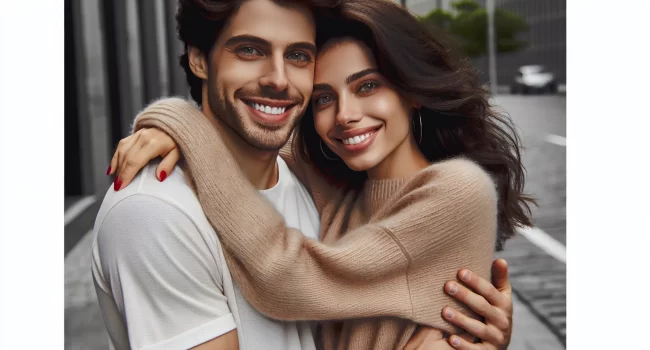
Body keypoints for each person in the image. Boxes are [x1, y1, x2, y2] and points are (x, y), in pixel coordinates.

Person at [96, 0, 521, 349]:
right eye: (323, 98)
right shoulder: (332, 182)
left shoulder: (458, 191)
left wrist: (183, 124)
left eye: (368, 86)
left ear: (410, 90)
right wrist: (170, 122)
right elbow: (253, 140)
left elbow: (288, 276)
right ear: (199, 60)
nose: (346, 115)